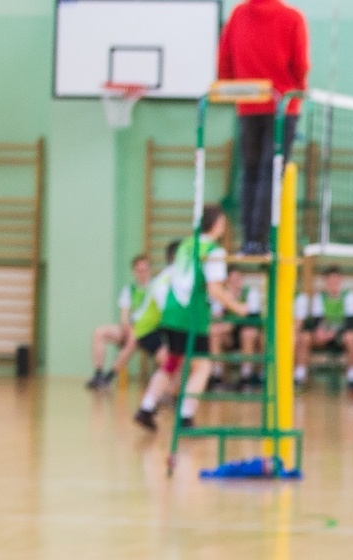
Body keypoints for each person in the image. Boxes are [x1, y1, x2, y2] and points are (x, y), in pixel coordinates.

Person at [134, 207, 248, 430]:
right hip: (191, 316)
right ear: (215, 224)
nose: (224, 227)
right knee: (203, 366)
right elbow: (214, 289)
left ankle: (146, 407)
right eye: (223, 222)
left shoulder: (186, 245)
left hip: (173, 311)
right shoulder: (214, 251)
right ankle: (185, 415)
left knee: (172, 363)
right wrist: (237, 307)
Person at [217, 0, 308, 255]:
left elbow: (224, 59)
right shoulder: (291, 18)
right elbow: (300, 65)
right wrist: (298, 90)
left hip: (248, 104)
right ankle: (262, 240)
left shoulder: (238, 15)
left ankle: (251, 240)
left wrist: (233, 88)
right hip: (281, 106)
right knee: (271, 174)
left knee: (251, 173)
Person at [293, 265, 353, 392]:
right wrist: (320, 332)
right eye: (330, 281)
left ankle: (352, 379)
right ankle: (299, 377)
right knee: (304, 337)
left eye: (335, 281)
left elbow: (350, 323)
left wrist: (334, 333)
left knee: (351, 337)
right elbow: (315, 322)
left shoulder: (349, 296)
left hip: (340, 336)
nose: (333, 284)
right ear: (326, 282)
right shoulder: (320, 298)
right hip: (325, 336)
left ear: (340, 281)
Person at [88, 253, 153, 389]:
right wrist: (125, 325)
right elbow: (124, 313)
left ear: (150, 270)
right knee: (99, 332)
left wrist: (134, 329)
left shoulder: (155, 288)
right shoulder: (129, 289)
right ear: (134, 271)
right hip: (130, 327)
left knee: (134, 338)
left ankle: (109, 377)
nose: (142, 273)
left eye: (145, 270)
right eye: (139, 270)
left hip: (146, 330)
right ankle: (98, 374)